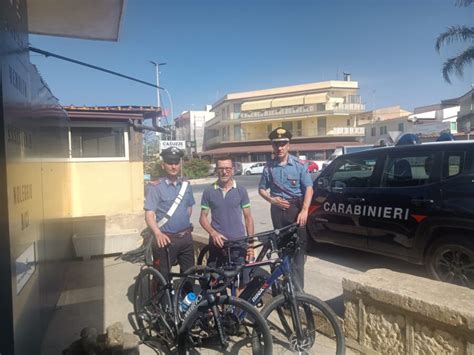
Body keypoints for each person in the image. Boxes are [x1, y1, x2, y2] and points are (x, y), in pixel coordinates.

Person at [258, 127, 314, 289]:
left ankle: (298, 293)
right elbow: (262, 189)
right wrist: (271, 199)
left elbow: (309, 188)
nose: (280, 147)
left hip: (295, 211)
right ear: (273, 146)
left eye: (283, 143)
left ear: (289, 145)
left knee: (297, 252)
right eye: (277, 144)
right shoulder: (269, 168)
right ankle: (287, 289)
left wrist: (305, 210)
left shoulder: (298, 166)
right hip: (277, 212)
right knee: (282, 251)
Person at [199, 156, 255, 286]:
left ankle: (236, 306)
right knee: (215, 283)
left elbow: (248, 218)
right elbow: (202, 218)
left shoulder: (241, 190)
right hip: (217, 245)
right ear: (216, 170)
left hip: (238, 244)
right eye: (221, 169)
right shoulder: (208, 191)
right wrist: (213, 233)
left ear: (233, 170)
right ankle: (220, 306)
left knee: (240, 283)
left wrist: (250, 245)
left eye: (227, 169)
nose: (224, 172)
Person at [144, 146, 195, 282]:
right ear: (163, 165)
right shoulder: (155, 188)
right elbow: (149, 214)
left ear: (180, 164)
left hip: (186, 239)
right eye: (170, 163)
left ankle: (185, 302)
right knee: (163, 279)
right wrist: (157, 232)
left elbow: (188, 209)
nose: (173, 166)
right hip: (165, 240)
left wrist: (180, 223)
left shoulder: (186, 186)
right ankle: (161, 303)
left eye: (176, 163)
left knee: (189, 277)